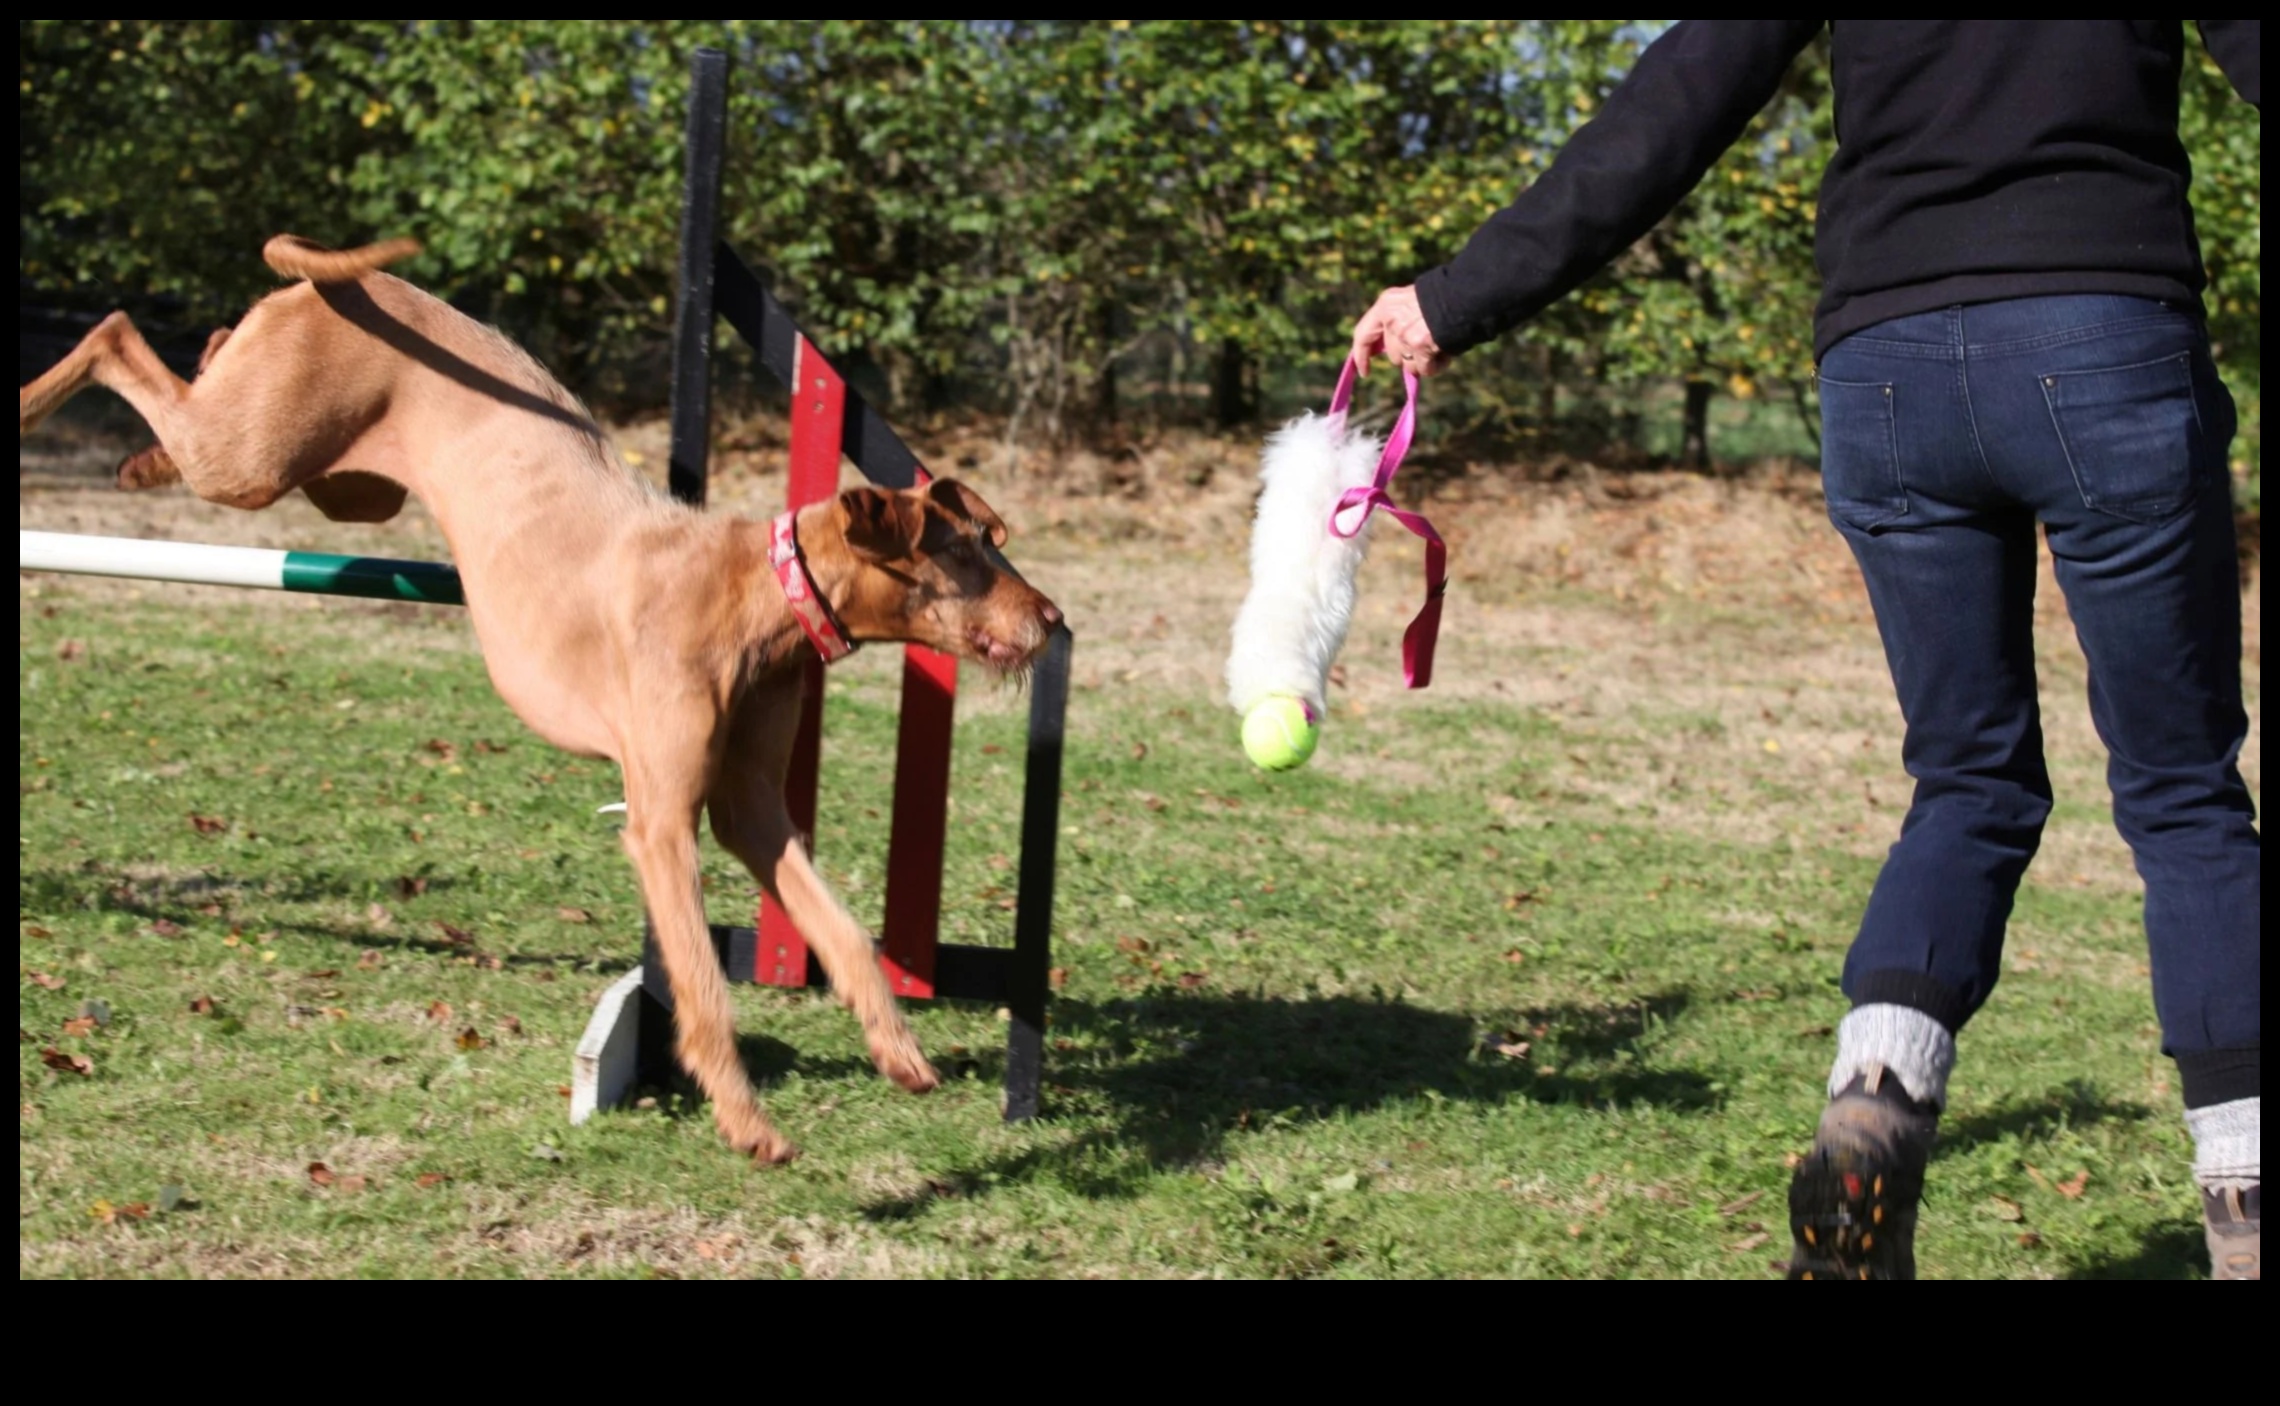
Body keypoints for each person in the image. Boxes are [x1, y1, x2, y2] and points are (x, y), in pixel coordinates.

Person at [1351, 20, 2261, 1280]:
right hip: (2101, 336)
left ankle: (1873, 1104)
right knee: (2181, 791)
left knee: (1969, 780)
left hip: (1888, 373)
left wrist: (1455, 297)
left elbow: (1681, 96)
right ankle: (2247, 1186)